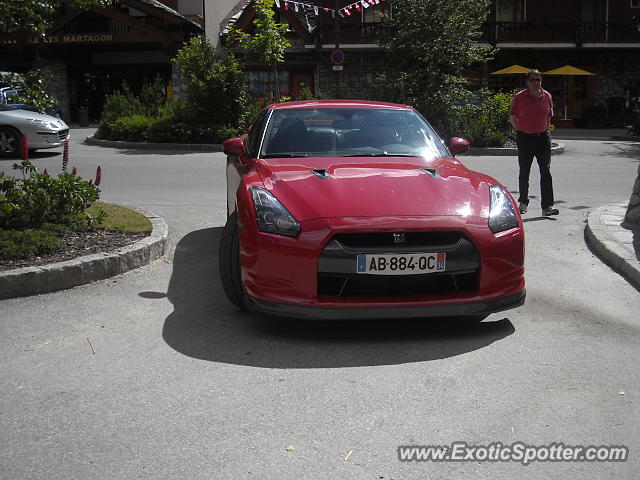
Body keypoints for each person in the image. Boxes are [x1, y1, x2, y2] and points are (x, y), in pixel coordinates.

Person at [509, 69, 559, 216]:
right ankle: (523, 202)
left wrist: (543, 129)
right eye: (533, 80)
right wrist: (522, 130)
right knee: (524, 171)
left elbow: (549, 117)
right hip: (525, 138)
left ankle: (547, 207)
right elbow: (512, 118)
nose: (536, 83)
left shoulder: (547, 96)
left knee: (546, 171)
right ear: (527, 82)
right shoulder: (519, 97)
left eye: (538, 79)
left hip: (543, 138)